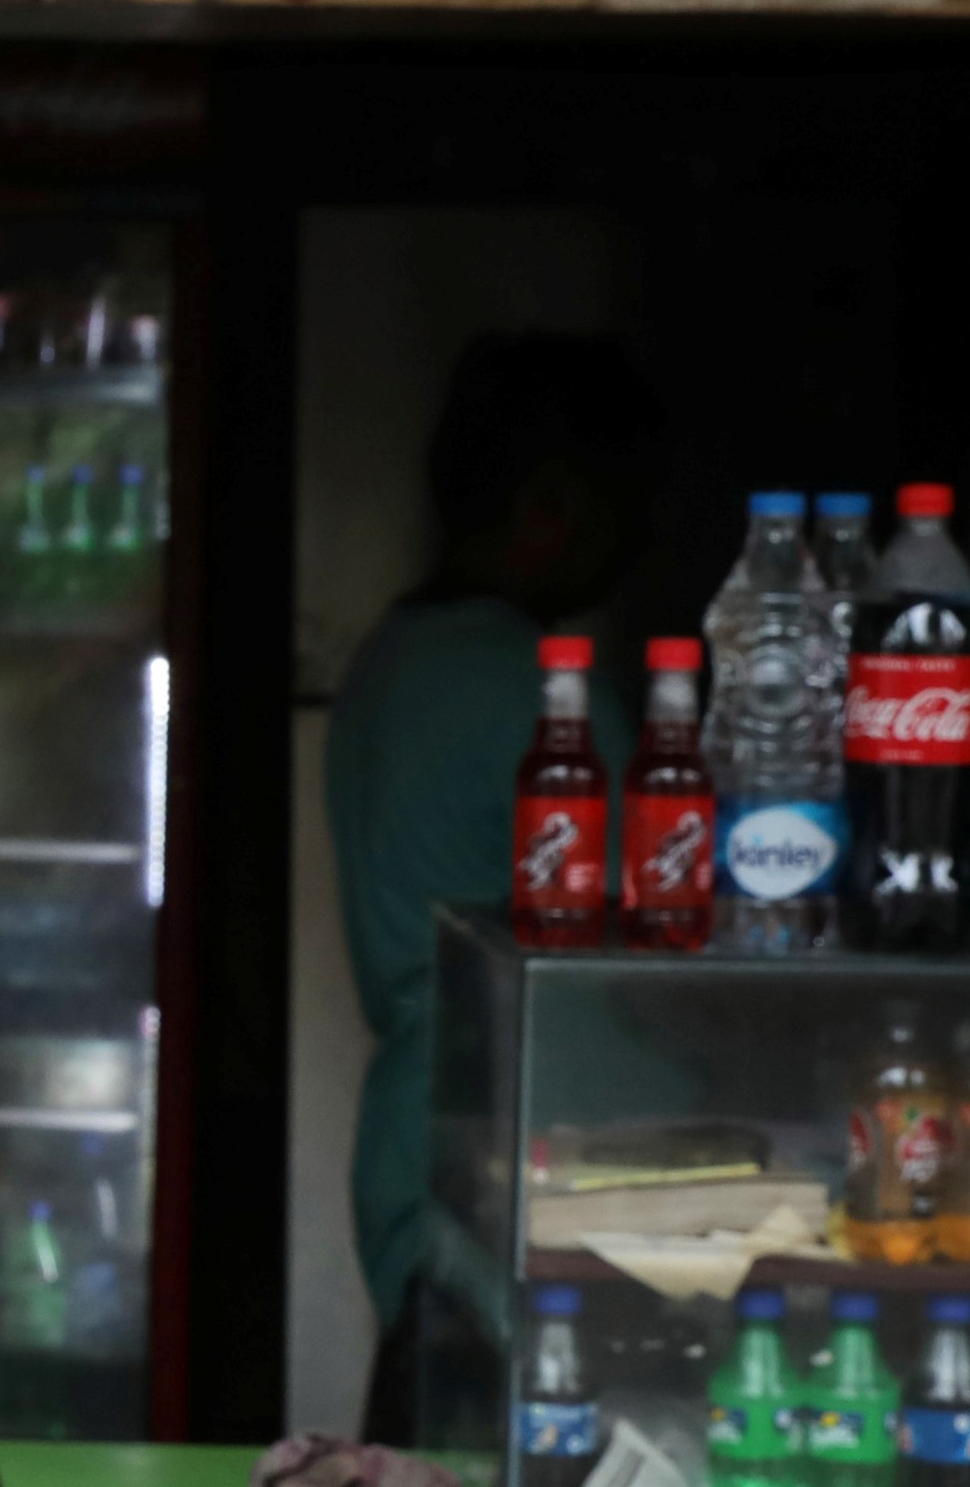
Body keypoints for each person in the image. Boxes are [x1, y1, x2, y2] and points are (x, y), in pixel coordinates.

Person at [324, 332, 661, 1441]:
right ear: (551, 505)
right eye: (620, 502)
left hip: (419, 1148)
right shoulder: (539, 700)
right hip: (518, 1159)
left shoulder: (393, 661)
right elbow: (658, 949)